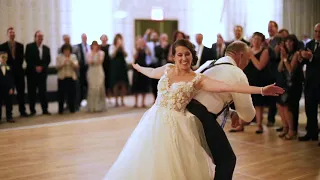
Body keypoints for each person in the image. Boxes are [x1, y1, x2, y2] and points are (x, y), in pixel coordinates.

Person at [104, 39, 284, 180]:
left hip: (179, 122)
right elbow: (151, 71)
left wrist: (261, 90)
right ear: (174, 57)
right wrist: (136, 67)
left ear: (192, 56)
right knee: (151, 162)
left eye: (187, 55)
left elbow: (225, 87)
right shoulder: (168, 69)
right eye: (180, 55)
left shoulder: (200, 75)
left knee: (176, 165)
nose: (183, 59)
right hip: (154, 122)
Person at [187, 40, 260, 180]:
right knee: (227, 160)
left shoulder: (209, 63)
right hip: (202, 117)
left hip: (189, 110)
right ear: (240, 55)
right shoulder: (237, 73)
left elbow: (207, 98)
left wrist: (231, 113)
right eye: (247, 59)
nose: (247, 63)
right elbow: (248, 114)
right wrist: (240, 114)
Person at [0, 52, 14, 123]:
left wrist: (11, 88)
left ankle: (9, 117)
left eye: (6, 57)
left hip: (8, 88)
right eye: (2, 57)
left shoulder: (9, 67)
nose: (4, 59)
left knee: (9, 103)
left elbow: (11, 78)